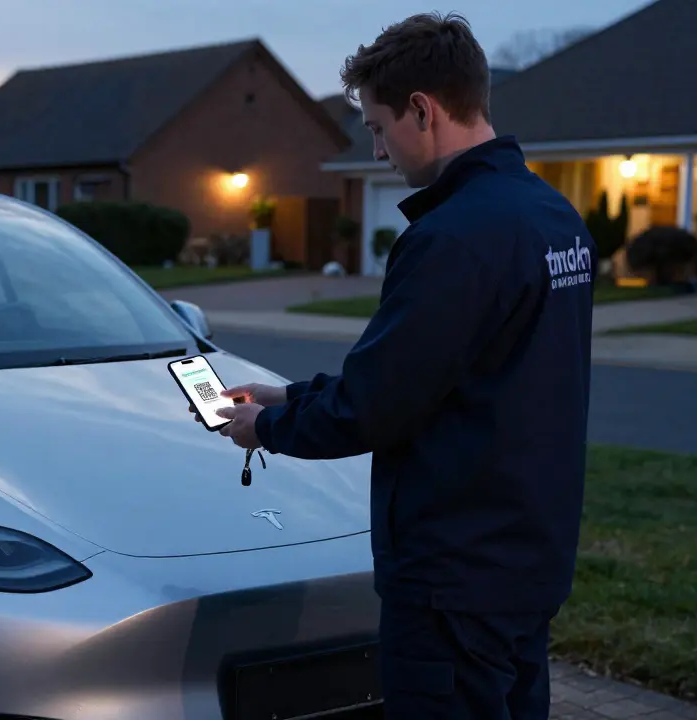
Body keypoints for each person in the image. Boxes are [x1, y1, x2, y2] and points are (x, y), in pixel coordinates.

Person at [195, 11, 595, 720]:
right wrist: (289, 393)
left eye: (378, 128)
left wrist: (265, 427)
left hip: (452, 576)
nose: (377, 152)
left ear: (423, 110)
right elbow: (443, 377)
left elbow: (373, 407)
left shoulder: (453, 237)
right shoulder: (553, 217)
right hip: (529, 555)